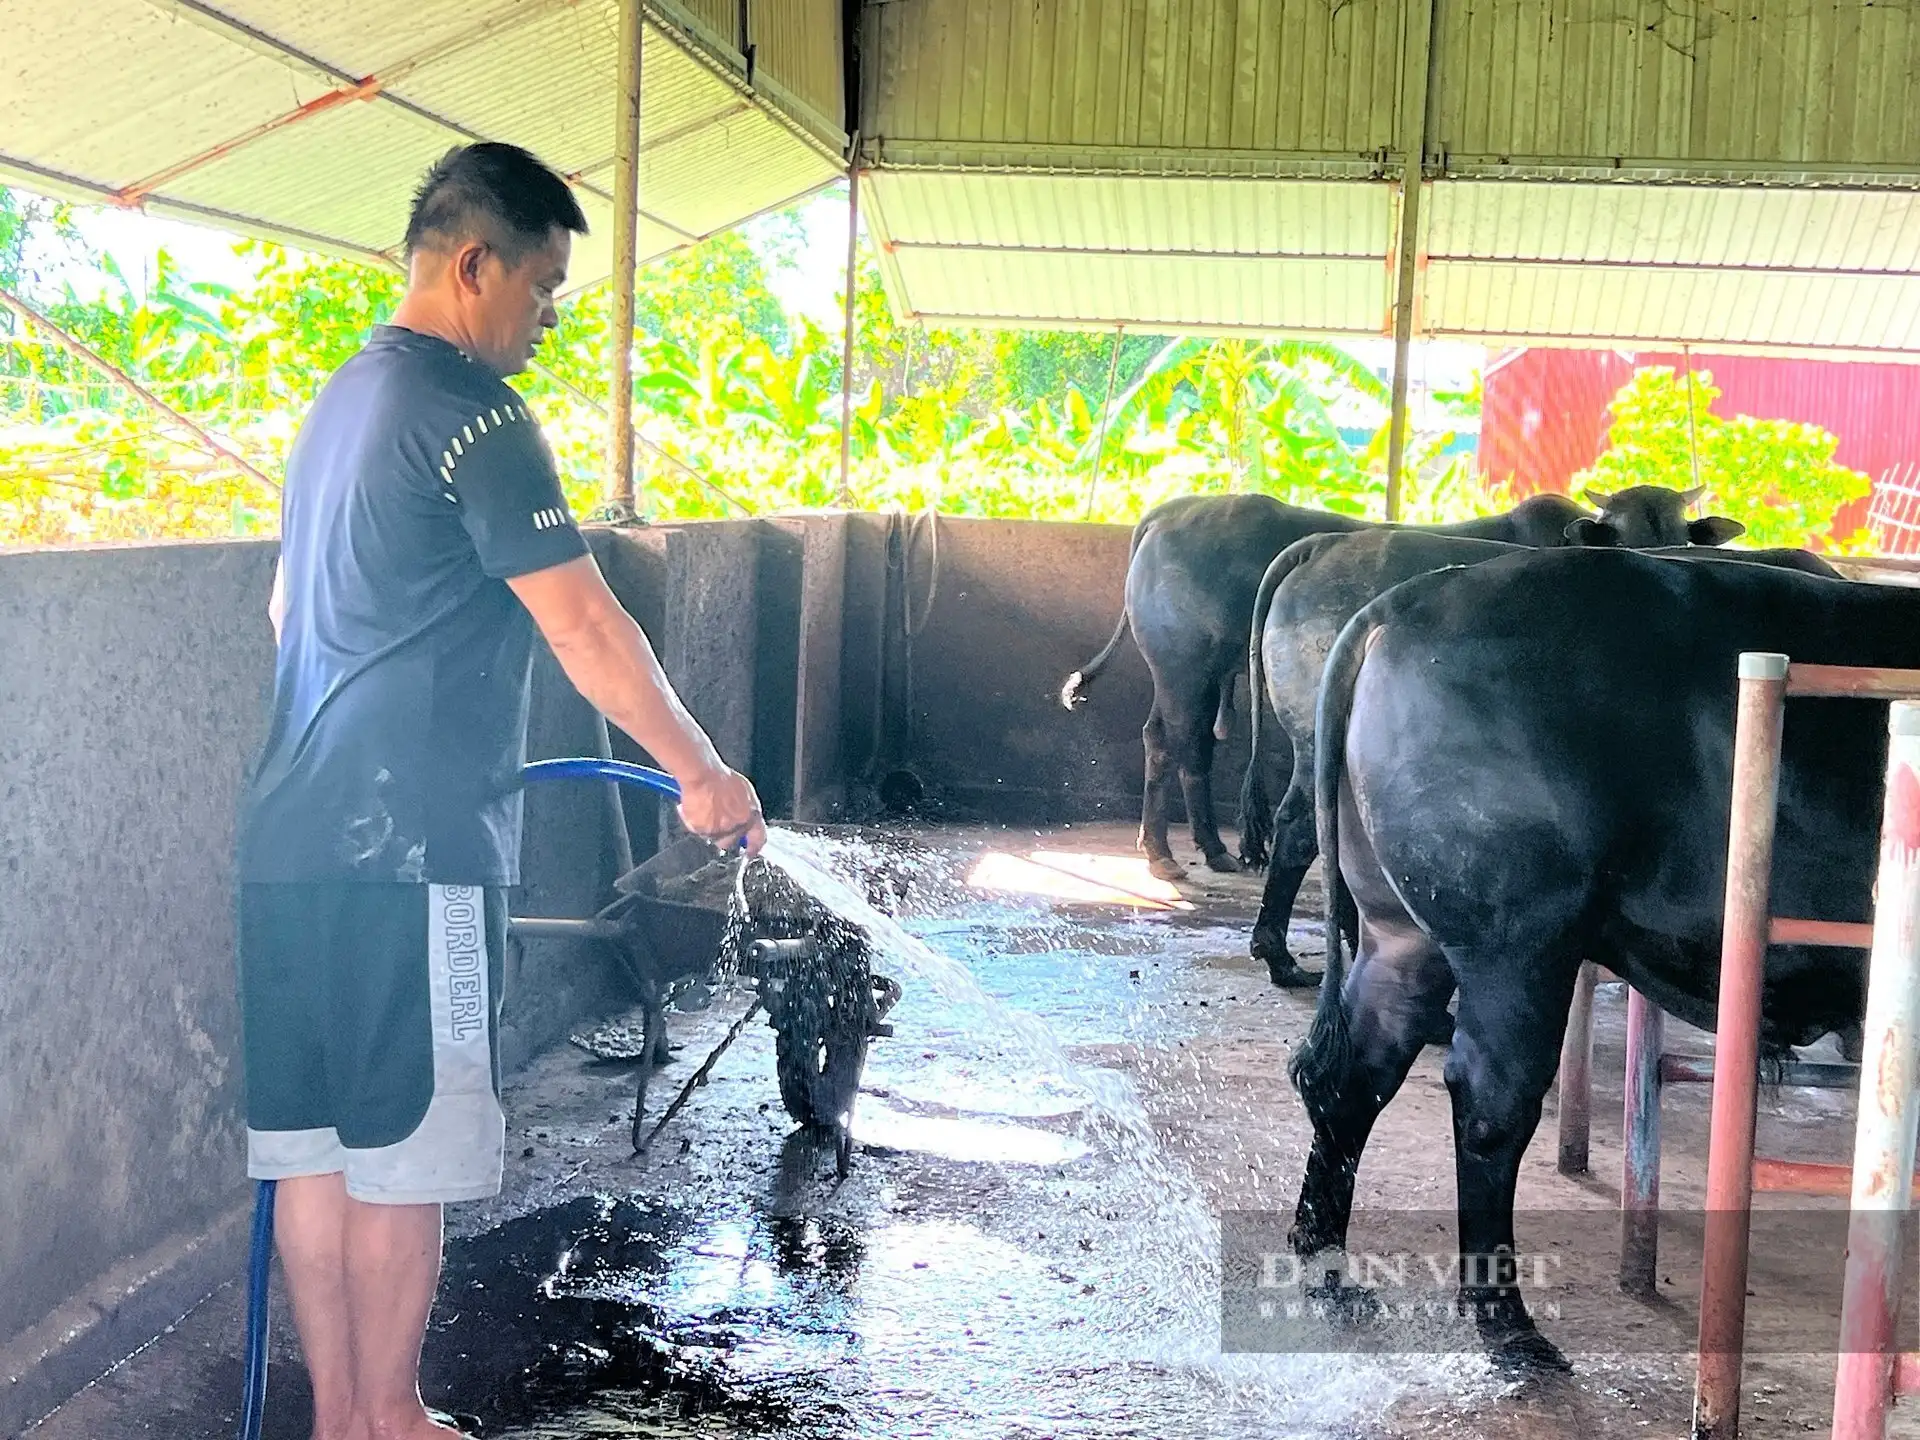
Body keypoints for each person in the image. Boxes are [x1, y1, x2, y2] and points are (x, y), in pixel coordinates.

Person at [235, 141, 765, 1440]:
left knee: (317, 1154)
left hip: (288, 840)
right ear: (474, 266)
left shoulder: (339, 403)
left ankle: (341, 1422)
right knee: (403, 1160)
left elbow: (286, 611)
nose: (546, 322)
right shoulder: (478, 416)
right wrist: (700, 771)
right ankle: (389, 1418)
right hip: (413, 853)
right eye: (542, 290)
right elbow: (583, 624)